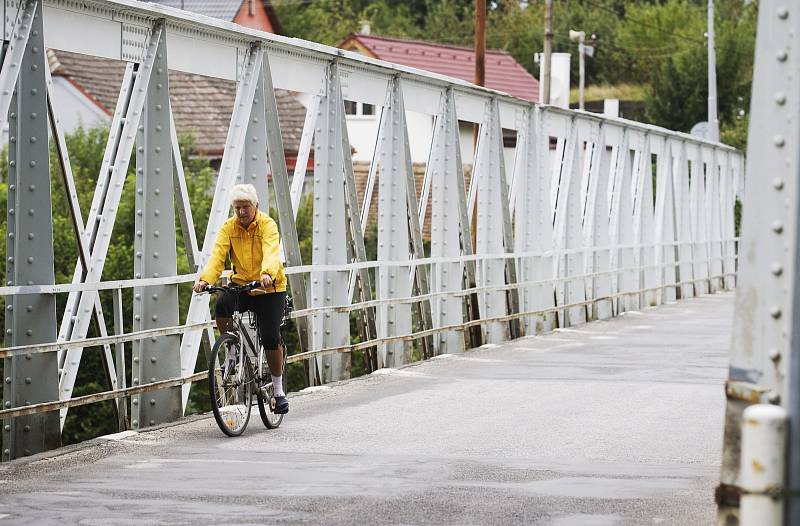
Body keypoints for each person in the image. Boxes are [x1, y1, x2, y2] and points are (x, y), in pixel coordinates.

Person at [193, 183, 289, 414]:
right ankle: (232, 351)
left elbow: (271, 252)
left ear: (256, 206)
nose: (241, 212)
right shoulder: (229, 227)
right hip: (243, 284)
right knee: (222, 304)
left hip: (270, 287)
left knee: (269, 337)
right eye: (237, 208)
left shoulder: (267, 225)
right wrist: (205, 279)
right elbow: (218, 255)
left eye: (245, 207)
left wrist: (267, 273)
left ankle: (278, 390)